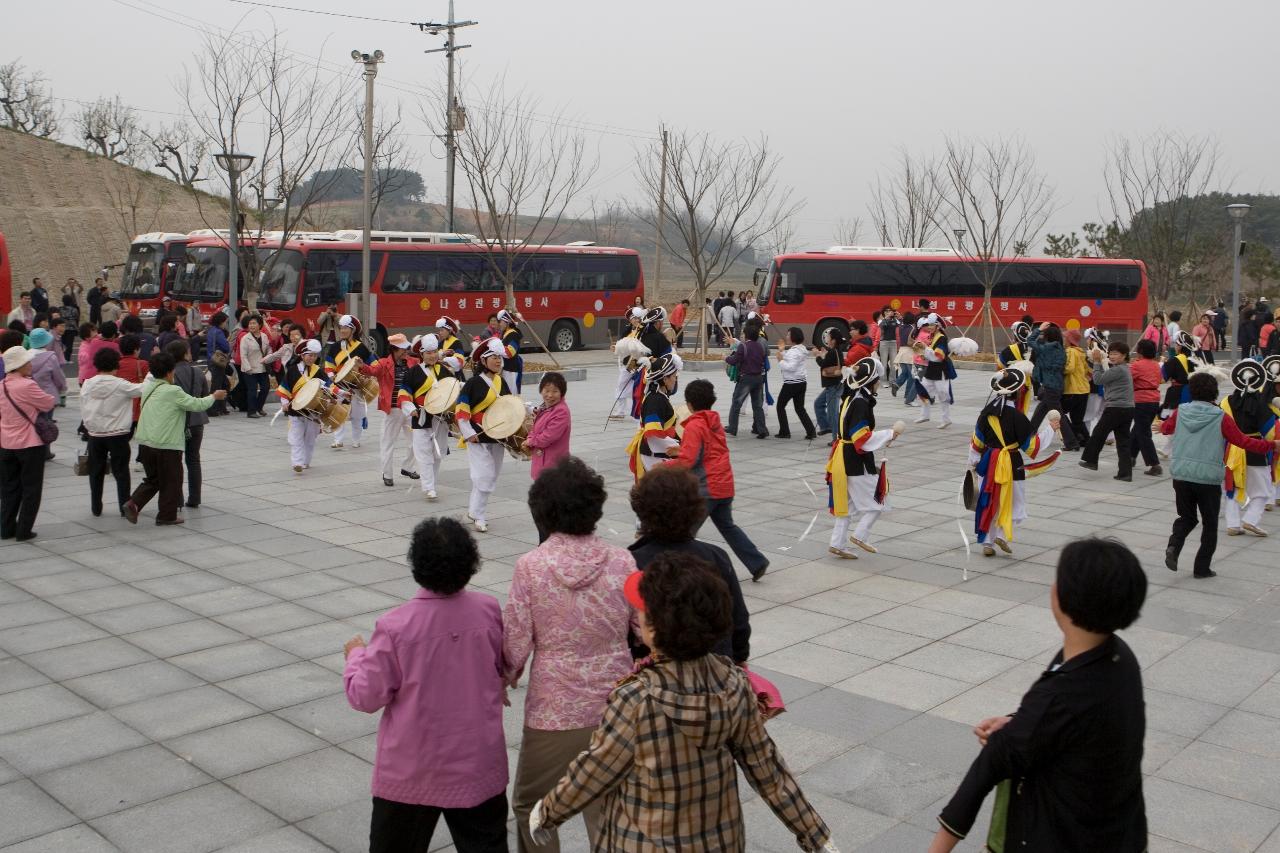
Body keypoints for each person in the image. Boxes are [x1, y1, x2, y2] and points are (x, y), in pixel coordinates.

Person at [528, 554, 835, 852]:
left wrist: (548, 812)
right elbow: (767, 768)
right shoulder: (733, 682)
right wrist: (814, 834)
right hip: (719, 840)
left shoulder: (636, 698)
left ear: (653, 627)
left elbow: (597, 770)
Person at [929, 538, 1149, 853]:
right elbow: (1073, 722)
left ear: (1062, 597)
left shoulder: (1060, 694)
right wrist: (1019, 722)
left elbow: (991, 763)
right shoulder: (1117, 656)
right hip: (1117, 834)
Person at [343, 517, 508, 853]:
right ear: (470, 564)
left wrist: (355, 657)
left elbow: (364, 696)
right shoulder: (488, 611)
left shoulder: (395, 627)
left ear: (417, 565)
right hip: (476, 762)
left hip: (413, 768)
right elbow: (501, 665)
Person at [503, 456, 635, 851]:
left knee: (534, 806)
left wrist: (505, 677)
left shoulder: (531, 566)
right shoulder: (622, 560)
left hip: (553, 707)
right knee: (610, 807)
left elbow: (515, 640)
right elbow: (644, 628)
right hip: (617, 704)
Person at [1161, 371, 1280, 578]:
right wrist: (1272, 445)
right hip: (1207, 478)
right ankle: (1201, 568)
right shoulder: (1220, 417)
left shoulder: (1181, 411)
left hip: (1181, 475)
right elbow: (1243, 442)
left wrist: (1161, 426)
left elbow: (1166, 428)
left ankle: (1174, 546)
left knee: (1186, 518)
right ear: (1214, 393)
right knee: (1210, 523)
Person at [628, 466, 751, 663]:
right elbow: (738, 620)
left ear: (641, 511)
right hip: (715, 665)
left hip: (656, 668)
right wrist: (738, 658)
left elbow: (626, 629)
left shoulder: (631, 562)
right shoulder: (716, 556)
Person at [667, 379, 770, 581]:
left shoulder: (695, 426)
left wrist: (664, 467)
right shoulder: (714, 422)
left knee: (685, 532)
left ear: (689, 405)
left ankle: (675, 573)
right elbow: (708, 450)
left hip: (707, 489)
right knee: (728, 527)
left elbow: (688, 460)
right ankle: (757, 562)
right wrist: (681, 449)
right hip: (724, 485)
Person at [123, 352, 225, 526]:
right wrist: (214, 396)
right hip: (166, 445)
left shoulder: (148, 387)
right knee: (172, 480)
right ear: (170, 372)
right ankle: (166, 516)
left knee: (154, 479)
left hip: (146, 443)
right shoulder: (173, 391)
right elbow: (196, 404)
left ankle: (133, 503)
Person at [970, 367, 1061, 557]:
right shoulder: (1018, 418)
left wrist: (974, 463)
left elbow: (976, 443)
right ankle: (1002, 534)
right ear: (1017, 392)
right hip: (1011, 463)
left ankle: (987, 542)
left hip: (988, 463)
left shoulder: (985, 414)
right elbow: (1031, 446)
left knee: (990, 501)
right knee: (1013, 502)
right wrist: (1051, 429)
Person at [826, 357, 904, 559]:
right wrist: (890, 433)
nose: (879, 382)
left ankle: (837, 543)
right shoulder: (860, 403)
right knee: (879, 499)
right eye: (877, 379)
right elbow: (861, 439)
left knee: (848, 505)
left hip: (843, 457)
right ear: (871, 382)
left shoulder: (851, 397)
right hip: (854, 460)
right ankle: (860, 535)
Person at [456, 338, 515, 533]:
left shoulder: (501, 382)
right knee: (484, 475)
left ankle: (473, 513)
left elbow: (510, 405)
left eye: (500, 357)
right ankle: (479, 516)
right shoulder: (472, 383)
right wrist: (469, 433)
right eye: (494, 358)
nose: (498, 361)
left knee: (491, 476)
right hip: (478, 437)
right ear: (483, 361)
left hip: (498, 437)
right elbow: (461, 411)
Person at [80, 347, 144, 517]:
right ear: (116, 365)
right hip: (118, 435)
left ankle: (96, 506)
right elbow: (143, 389)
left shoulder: (87, 384)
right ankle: (124, 507)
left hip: (95, 434)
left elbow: (84, 407)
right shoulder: (121, 384)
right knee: (121, 472)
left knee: (96, 472)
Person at [0, 346, 54, 541]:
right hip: (30, 443)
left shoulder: (2, 385)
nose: (31, 364)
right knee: (31, 488)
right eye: (28, 362)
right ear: (20, 365)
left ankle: (6, 528)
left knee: (9, 488)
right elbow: (48, 403)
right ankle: (24, 530)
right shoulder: (27, 385)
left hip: (6, 442)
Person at [397, 335, 461, 499]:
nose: (432, 356)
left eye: (434, 352)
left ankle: (431, 483)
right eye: (428, 353)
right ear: (422, 354)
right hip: (421, 416)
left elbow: (453, 391)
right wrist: (410, 408)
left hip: (441, 418)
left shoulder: (445, 370)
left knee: (437, 453)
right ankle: (429, 487)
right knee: (423, 452)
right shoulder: (413, 372)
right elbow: (404, 393)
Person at [1220, 361, 1277, 537]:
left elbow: (1221, 427)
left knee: (1232, 488)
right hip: (1255, 449)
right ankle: (1251, 519)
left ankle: (1233, 524)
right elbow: (1271, 433)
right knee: (1263, 491)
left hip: (1232, 450)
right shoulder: (1261, 405)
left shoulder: (1226, 401)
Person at [1079, 341, 1135, 481]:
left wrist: (1097, 362)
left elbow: (1098, 380)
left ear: (1124, 356)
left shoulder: (1118, 369)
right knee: (1123, 442)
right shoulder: (1124, 368)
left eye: (1116, 353)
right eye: (1110, 353)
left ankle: (1091, 461)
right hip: (1127, 408)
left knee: (1098, 433)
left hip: (1116, 408)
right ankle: (1125, 473)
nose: (1112, 356)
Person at [369, 333, 419, 487]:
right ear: (395, 349)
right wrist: (359, 365)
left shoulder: (412, 361)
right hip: (392, 408)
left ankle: (407, 467)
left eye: (406, 348)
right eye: (403, 349)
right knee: (388, 442)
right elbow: (371, 371)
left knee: (416, 440)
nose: (406, 351)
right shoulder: (384, 363)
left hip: (409, 407)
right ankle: (387, 473)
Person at [626, 352, 681, 480]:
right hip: (653, 456)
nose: (676, 379)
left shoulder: (658, 396)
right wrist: (681, 447)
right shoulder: (655, 400)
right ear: (665, 379)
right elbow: (653, 435)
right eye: (674, 376)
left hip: (657, 452)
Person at [166, 339, 208, 509]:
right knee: (193, 460)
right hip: (196, 420)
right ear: (185, 354)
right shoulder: (197, 372)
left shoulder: (169, 374)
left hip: (177, 421)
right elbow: (205, 394)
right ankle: (195, 498)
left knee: (175, 461)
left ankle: (177, 499)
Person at [277, 339, 328, 474]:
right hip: (296, 410)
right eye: (309, 355)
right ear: (302, 355)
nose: (312, 358)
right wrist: (284, 404)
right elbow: (284, 389)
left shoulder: (319, 371)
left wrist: (340, 394)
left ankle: (305, 461)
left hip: (313, 411)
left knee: (310, 439)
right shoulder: (293, 370)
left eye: (314, 356)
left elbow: (329, 387)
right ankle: (297, 462)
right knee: (296, 437)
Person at [325, 314, 374, 448]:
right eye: (341, 328)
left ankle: (356, 440)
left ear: (353, 330)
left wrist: (364, 367)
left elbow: (373, 365)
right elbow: (328, 366)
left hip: (357, 386)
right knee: (339, 412)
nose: (342, 330)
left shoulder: (361, 348)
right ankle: (338, 440)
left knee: (357, 416)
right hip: (340, 386)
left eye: (346, 328)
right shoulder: (335, 347)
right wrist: (331, 376)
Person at [1026, 323, 1078, 449]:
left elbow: (1030, 341)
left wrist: (1039, 329)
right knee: (1040, 410)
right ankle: (1028, 434)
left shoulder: (1047, 348)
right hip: (1056, 385)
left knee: (1057, 414)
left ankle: (1071, 442)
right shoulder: (1060, 348)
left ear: (1048, 336)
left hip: (1050, 386)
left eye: (1045, 334)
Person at [524, 372, 571, 485]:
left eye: (555, 391)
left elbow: (548, 436)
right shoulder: (545, 407)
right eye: (547, 390)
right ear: (541, 390)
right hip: (542, 461)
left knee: (552, 497)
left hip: (553, 463)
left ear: (561, 393)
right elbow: (534, 429)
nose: (550, 395)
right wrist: (530, 438)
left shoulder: (561, 411)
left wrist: (530, 441)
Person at [724, 320, 769, 438]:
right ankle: (762, 429)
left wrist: (726, 358)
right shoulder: (759, 346)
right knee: (757, 405)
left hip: (746, 378)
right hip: (759, 378)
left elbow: (734, 361)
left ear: (747, 335)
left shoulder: (743, 346)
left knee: (736, 402)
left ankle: (732, 427)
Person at [1128, 338, 1164, 476]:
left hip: (1141, 399)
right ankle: (1130, 457)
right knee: (1138, 429)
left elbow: (1128, 378)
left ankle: (1154, 464)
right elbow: (1160, 380)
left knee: (1143, 433)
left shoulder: (1137, 365)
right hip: (1154, 399)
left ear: (1140, 351)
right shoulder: (1156, 365)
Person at [26, 328, 64, 458]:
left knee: (32, 422)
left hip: (30, 395)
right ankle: (46, 451)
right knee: (47, 423)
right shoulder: (51, 356)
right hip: (48, 395)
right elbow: (58, 376)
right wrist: (61, 388)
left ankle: (33, 448)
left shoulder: (26, 356)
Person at [915, 314, 956, 429]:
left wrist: (925, 349)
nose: (930, 327)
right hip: (932, 369)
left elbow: (938, 356)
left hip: (941, 370)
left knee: (943, 395)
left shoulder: (941, 338)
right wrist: (924, 354)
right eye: (929, 324)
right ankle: (925, 415)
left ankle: (946, 419)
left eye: (932, 325)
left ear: (938, 326)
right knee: (923, 390)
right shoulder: (933, 336)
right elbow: (932, 355)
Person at [774, 327, 816, 440]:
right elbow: (789, 358)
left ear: (793, 337)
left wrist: (780, 360)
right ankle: (811, 431)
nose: (786, 337)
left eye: (788, 335)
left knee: (780, 406)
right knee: (800, 408)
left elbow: (790, 366)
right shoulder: (801, 349)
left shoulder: (794, 351)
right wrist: (782, 350)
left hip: (791, 383)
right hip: (801, 382)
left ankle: (784, 431)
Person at [609, 307, 645, 421]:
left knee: (621, 384)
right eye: (633, 318)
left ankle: (621, 411)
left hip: (635, 361)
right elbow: (623, 345)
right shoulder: (628, 330)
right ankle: (623, 409)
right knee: (626, 384)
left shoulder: (642, 331)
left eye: (636, 318)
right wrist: (616, 347)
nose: (635, 320)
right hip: (626, 360)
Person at [812, 327, 845, 435]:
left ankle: (836, 438)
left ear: (833, 340)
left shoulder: (833, 352)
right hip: (833, 385)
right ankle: (825, 427)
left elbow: (822, 364)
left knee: (832, 413)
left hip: (833, 386)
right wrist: (824, 355)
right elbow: (829, 362)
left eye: (828, 336)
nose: (826, 337)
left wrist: (817, 356)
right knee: (818, 403)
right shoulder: (835, 351)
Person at [1061, 328, 1091, 449]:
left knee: (1059, 413)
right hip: (1084, 389)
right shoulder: (1081, 352)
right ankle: (1086, 441)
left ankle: (1073, 438)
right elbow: (1086, 370)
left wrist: (1058, 370)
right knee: (1077, 419)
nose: (1064, 339)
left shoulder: (1070, 351)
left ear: (1069, 340)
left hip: (1072, 389)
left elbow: (1070, 368)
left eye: (1065, 337)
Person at [238, 314, 271, 419]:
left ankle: (259, 407)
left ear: (260, 324)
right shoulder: (245, 338)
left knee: (265, 388)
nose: (251, 325)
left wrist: (269, 356)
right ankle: (251, 411)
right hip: (250, 369)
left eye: (254, 323)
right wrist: (248, 368)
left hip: (262, 367)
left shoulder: (264, 336)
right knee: (252, 390)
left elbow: (268, 349)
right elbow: (243, 355)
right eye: (250, 323)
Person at [205, 312, 231, 416]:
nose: (226, 324)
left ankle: (221, 407)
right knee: (217, 385)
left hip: (211, 360)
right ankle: (212, 409)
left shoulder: (211, 331)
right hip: (218, 361)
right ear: (221, 322)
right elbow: (226, 347)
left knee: (224, 383)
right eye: (226, 322)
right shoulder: (219, 332)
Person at [497, 309, 524, 392]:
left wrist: (496, 347)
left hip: (511, 370)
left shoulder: (513, 334)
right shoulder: (505, 334)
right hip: (506, 368)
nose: (499, 324)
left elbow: (510, 352)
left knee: (511, 394)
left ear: (507, 322)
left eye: (500, 321)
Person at [58, 290, 80, 361]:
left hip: (62, 328)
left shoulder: (60, 309)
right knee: (69, 344)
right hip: (71, 328)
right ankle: (67, 358)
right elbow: (77, 318)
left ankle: (61, 357)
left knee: (62, 343)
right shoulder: (74, 309)